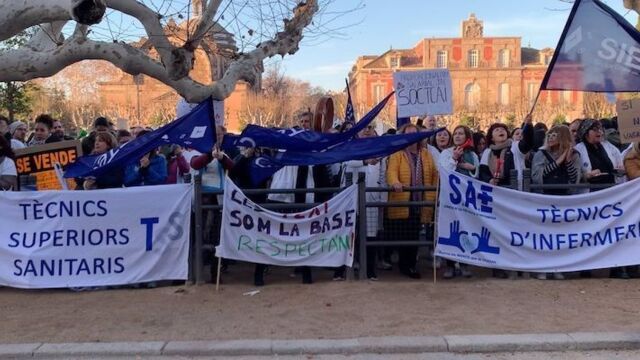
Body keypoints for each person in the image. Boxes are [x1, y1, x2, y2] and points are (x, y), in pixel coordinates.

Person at [387, 123, 439, 279]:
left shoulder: (426, 154)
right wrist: (395, 182)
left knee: (415, 234)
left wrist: (437, 185)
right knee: (404, 234)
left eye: (413, 133)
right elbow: (391, 172)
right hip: (404, 199)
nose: (411, 137)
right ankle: (405, 265)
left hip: (421, 201)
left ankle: (411, 264)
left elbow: (434, 173)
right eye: (407, 133)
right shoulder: (397, 154)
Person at [531, 125, 582, 281]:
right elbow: (537, 176)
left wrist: (567, 162)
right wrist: (558, 162)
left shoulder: (575, 155)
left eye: (555, 135)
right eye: (550, 134)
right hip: (544, 198)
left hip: (563, 199)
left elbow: (575, 180)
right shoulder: (541, 154)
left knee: (560, 236)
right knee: (544, 235)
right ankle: (542, 267)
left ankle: (557, 267)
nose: (551, 137)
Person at [438, 125, 478, 279]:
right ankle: (450, 265)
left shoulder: (472, 155)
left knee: (466, 230)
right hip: (450, 199)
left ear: (467, 137)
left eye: (461, 134)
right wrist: (454, 159)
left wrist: (472, 168)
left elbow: (477, 174)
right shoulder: (446, 153)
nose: (457, 136)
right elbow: (444, 170)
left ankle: (464, 264)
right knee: (450, 230)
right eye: (455, 133)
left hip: (466, 200)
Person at [479, 114, 534, 189]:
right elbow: (483, 171)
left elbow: (527, 143)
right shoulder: (488, 152)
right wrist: (489, 180)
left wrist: (528, 126)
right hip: (495, 190)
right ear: (492, 138)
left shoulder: (515, 146)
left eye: (503, 129)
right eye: (497, 130)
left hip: (515, 189)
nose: (501, 130)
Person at [574, 119, 624, 189]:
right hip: (591, 192)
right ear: (585, 132)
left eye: (600, 129)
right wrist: (587, 175)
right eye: (595, 129)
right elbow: (574, 175)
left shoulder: (608, 145)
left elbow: (619, 161)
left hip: (612, 189)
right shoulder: (578, 149)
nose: (599, 132)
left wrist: (620, 169)